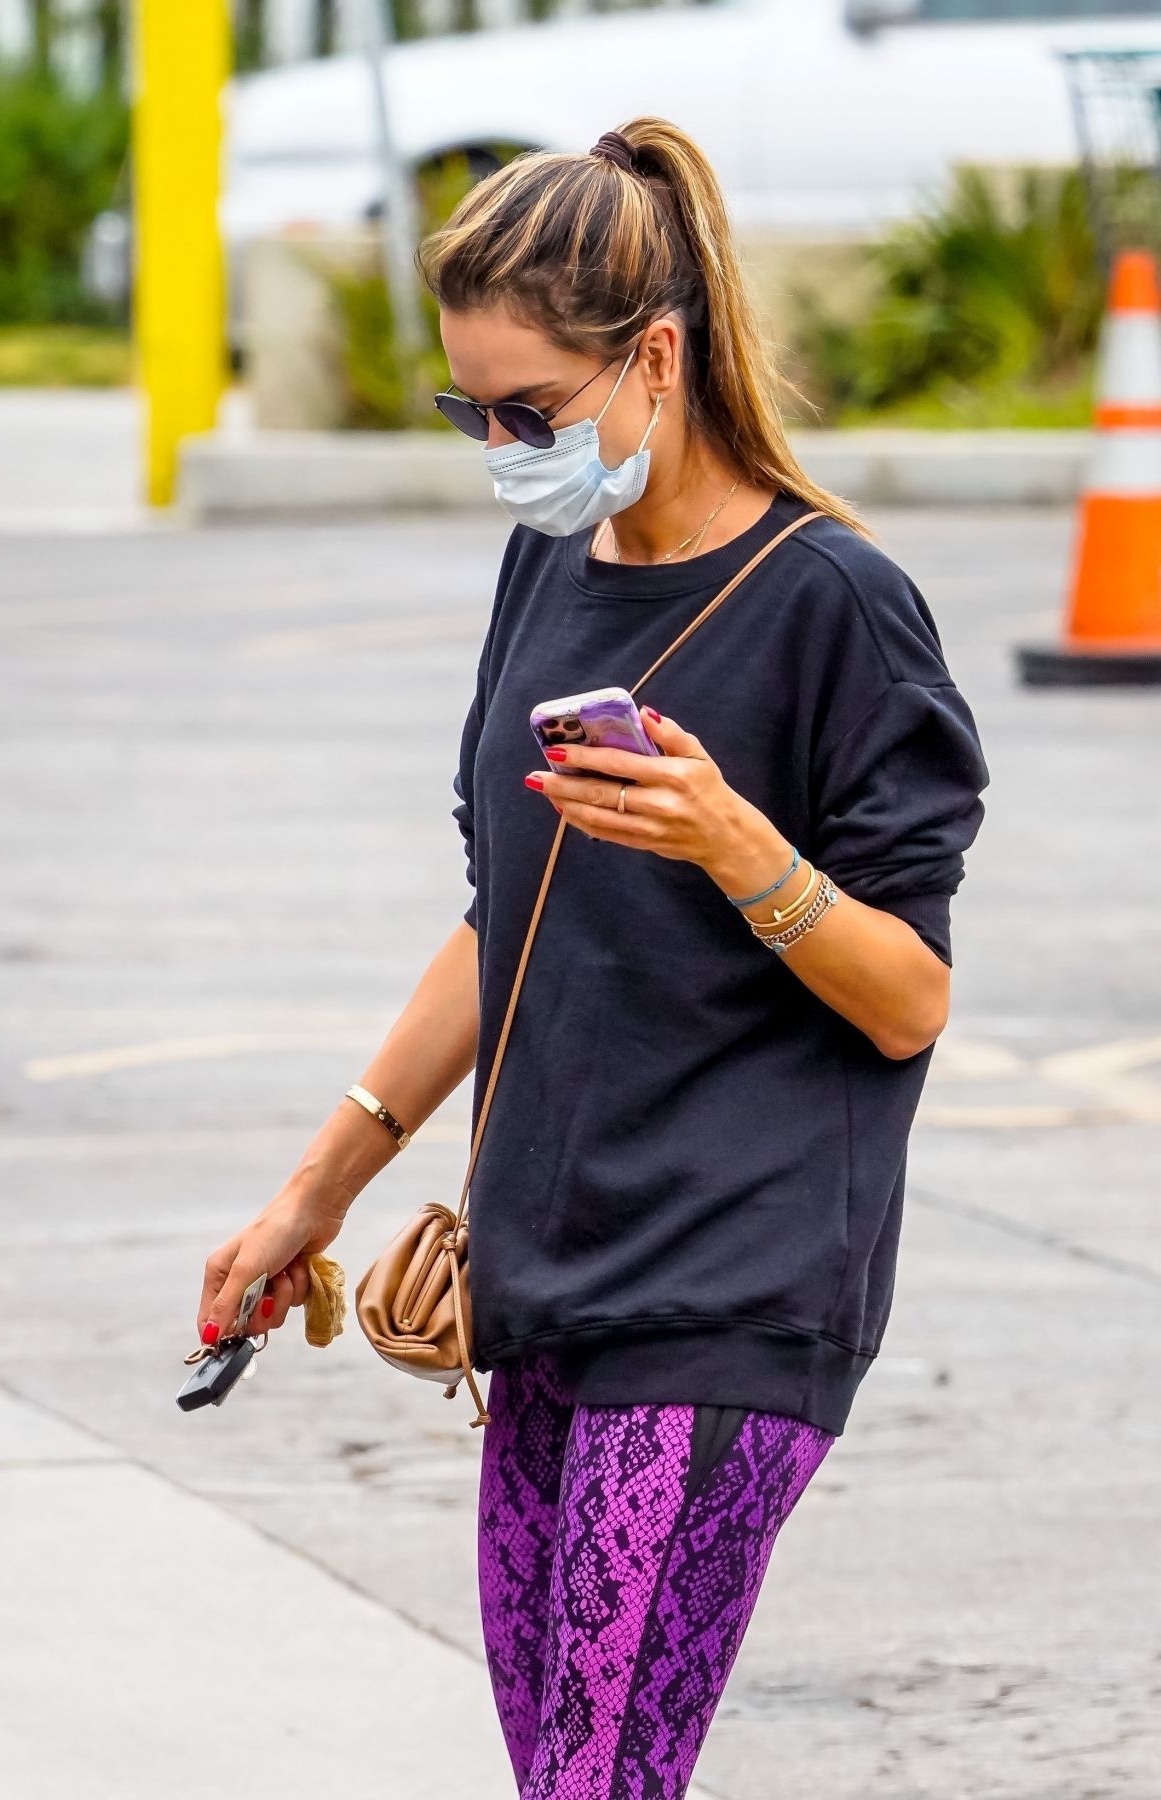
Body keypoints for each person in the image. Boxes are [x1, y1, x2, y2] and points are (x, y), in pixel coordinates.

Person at [196, 118, 990, 1800]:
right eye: (467, 408)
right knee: (569, 1771)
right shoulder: (545, 572)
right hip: (545, 1274)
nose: (498, 446)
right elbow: (508, 914)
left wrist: (737, 844)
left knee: (595, 1783)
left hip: (735, 1288)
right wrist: (316, 1191)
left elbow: (910, 995)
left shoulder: (835, 602)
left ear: (656, 356)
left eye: (528, 412)